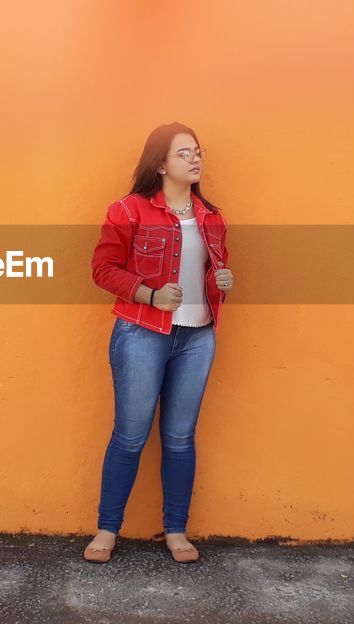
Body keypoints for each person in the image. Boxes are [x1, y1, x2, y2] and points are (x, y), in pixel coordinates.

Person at [85, 122, 234, 563]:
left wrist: (221, 280)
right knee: (130, 437)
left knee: (180, 438)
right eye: (184, 153)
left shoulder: (212, 217)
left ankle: (175, 531)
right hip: (141, 333)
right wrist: (150, 294)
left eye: (197, 151)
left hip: (197, 337)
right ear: (161, 163)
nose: (195, 159)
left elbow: (210, 273)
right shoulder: (128, 211)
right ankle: (107, 530)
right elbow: (102, 269)